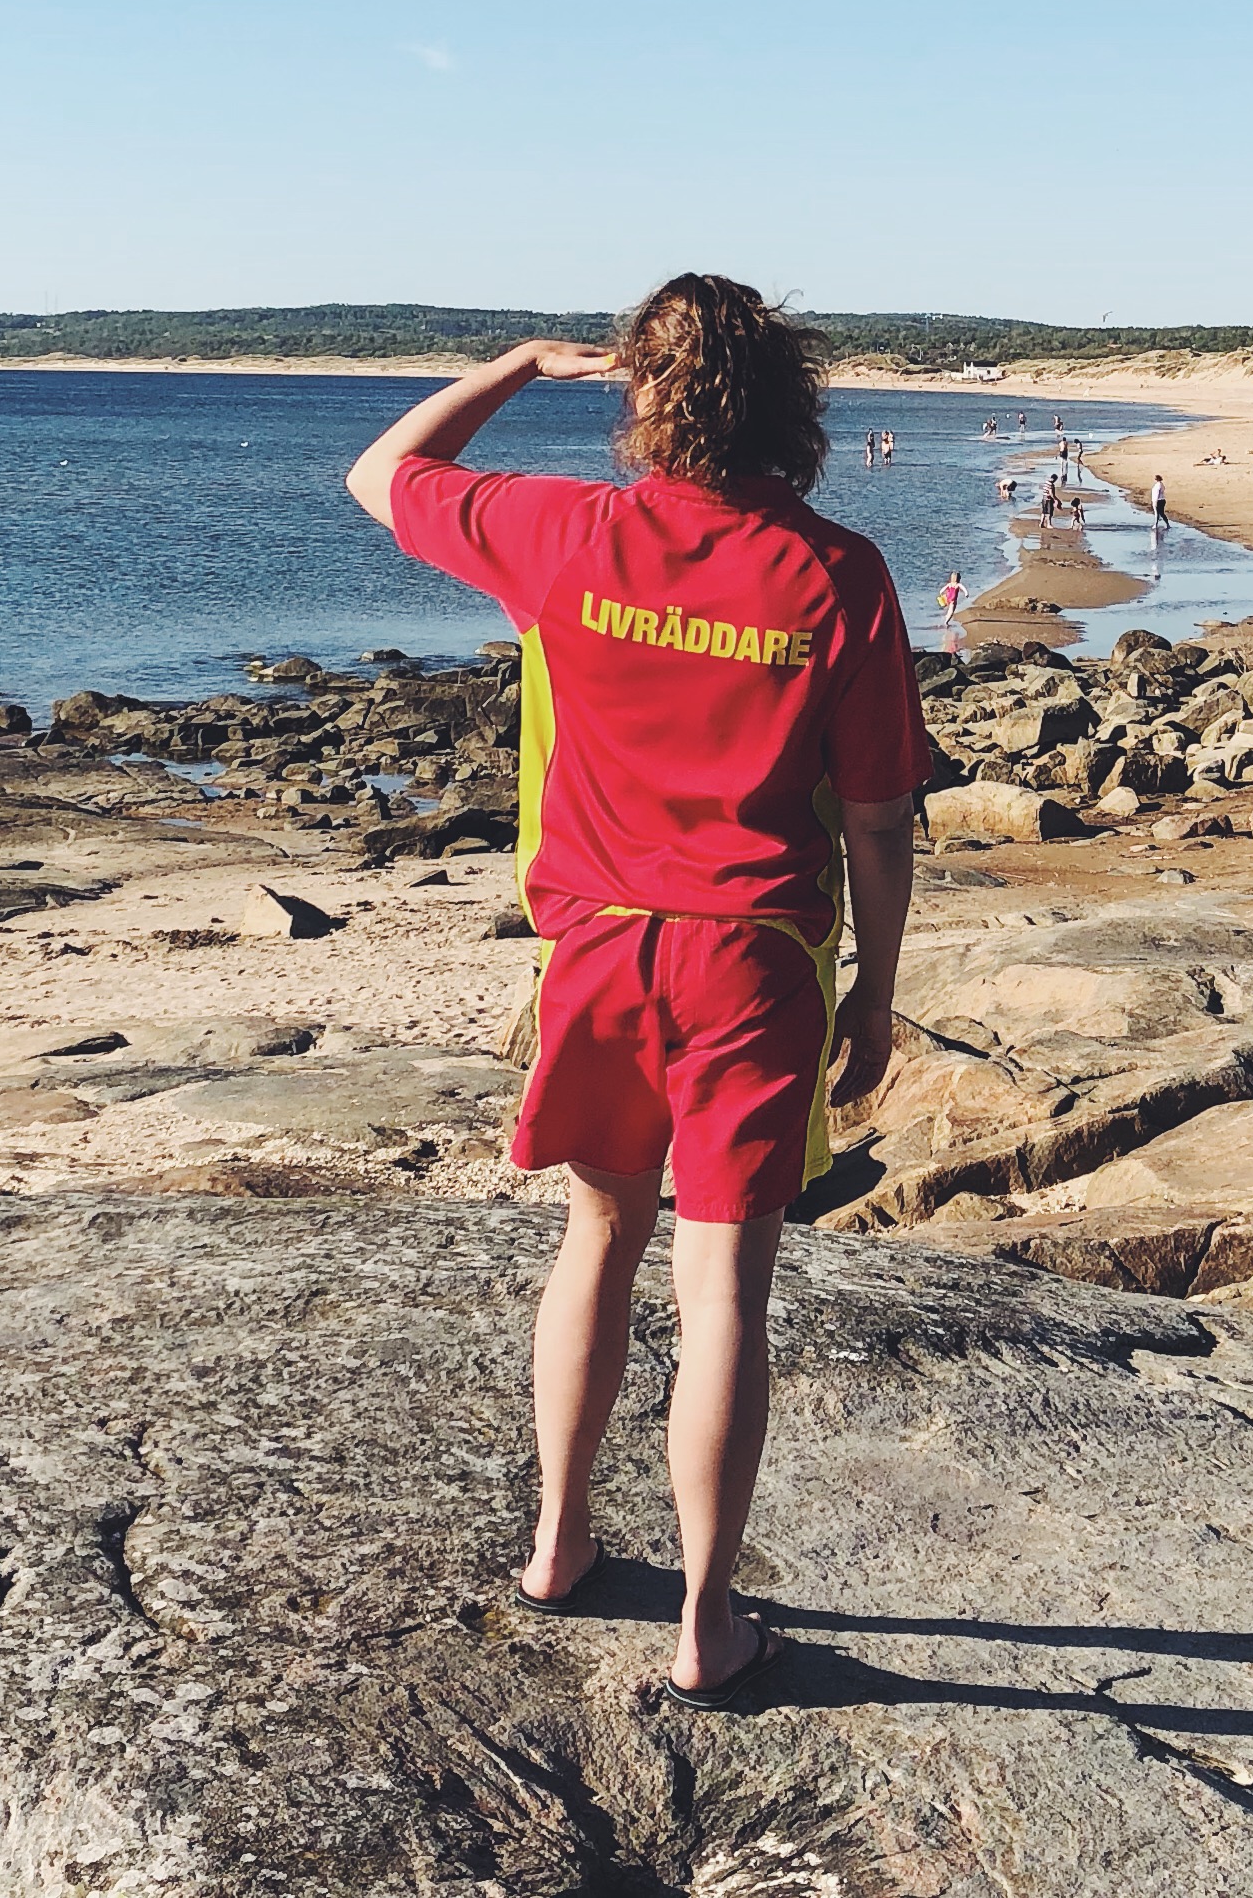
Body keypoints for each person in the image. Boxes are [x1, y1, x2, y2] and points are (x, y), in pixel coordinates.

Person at [346, 274, 923, 1710]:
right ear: (791, 402)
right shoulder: (838, 574)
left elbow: (382, 472)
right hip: (754, 958)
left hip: (601, 944)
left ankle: (557, 1542)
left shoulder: (564, 530)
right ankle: (704, 1619)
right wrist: (876, 989)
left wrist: (518, 363)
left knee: (596, 1234)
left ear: (644, 399)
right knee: (724, 1278)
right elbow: (878, 817)